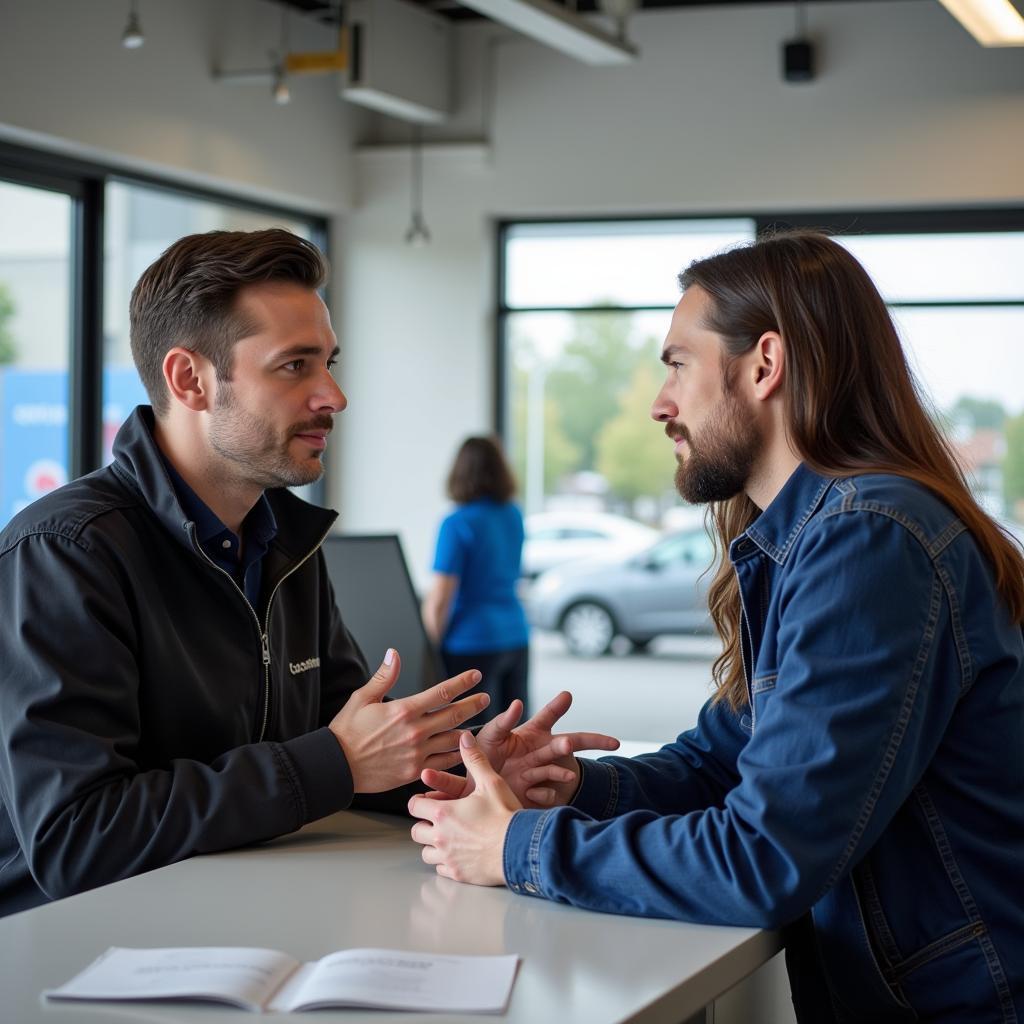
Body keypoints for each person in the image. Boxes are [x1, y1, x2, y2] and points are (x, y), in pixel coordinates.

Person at [409, 231, 1024, 1022]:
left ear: (764, 365)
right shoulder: (816, 536)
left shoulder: (870, 539)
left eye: (676, 365)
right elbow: (721, 762)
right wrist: (571, 789)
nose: (660, 404)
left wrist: (515, 848)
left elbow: (765, 857)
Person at [0, 228, 617, 918]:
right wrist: (335, 762)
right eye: (295, 366)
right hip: (79, 954)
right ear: (190, 380)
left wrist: (464, 774)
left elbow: (354, 749)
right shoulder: (66, 552)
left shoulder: (286, 544)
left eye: (329, 362)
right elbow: (74, 838)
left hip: (246, 918)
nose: (334, 395)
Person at [422, 436, 530, 726]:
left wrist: (426, 652)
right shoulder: (513, 515)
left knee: (473, 741)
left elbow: (441, 598)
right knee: (513, 736)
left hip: (471, 641)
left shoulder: (457, 523)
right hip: (515, 633)